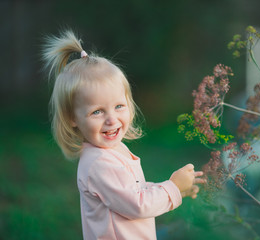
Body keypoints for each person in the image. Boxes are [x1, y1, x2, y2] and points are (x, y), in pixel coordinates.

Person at [42, 30, 205, 240]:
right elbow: (137, 205)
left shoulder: (112, 150)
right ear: (72, 117)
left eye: (119, 106)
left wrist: (177, 190)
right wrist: (172, 187)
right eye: (97, 112)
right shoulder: (99, 164)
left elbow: (133, 191)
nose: (111, 120)